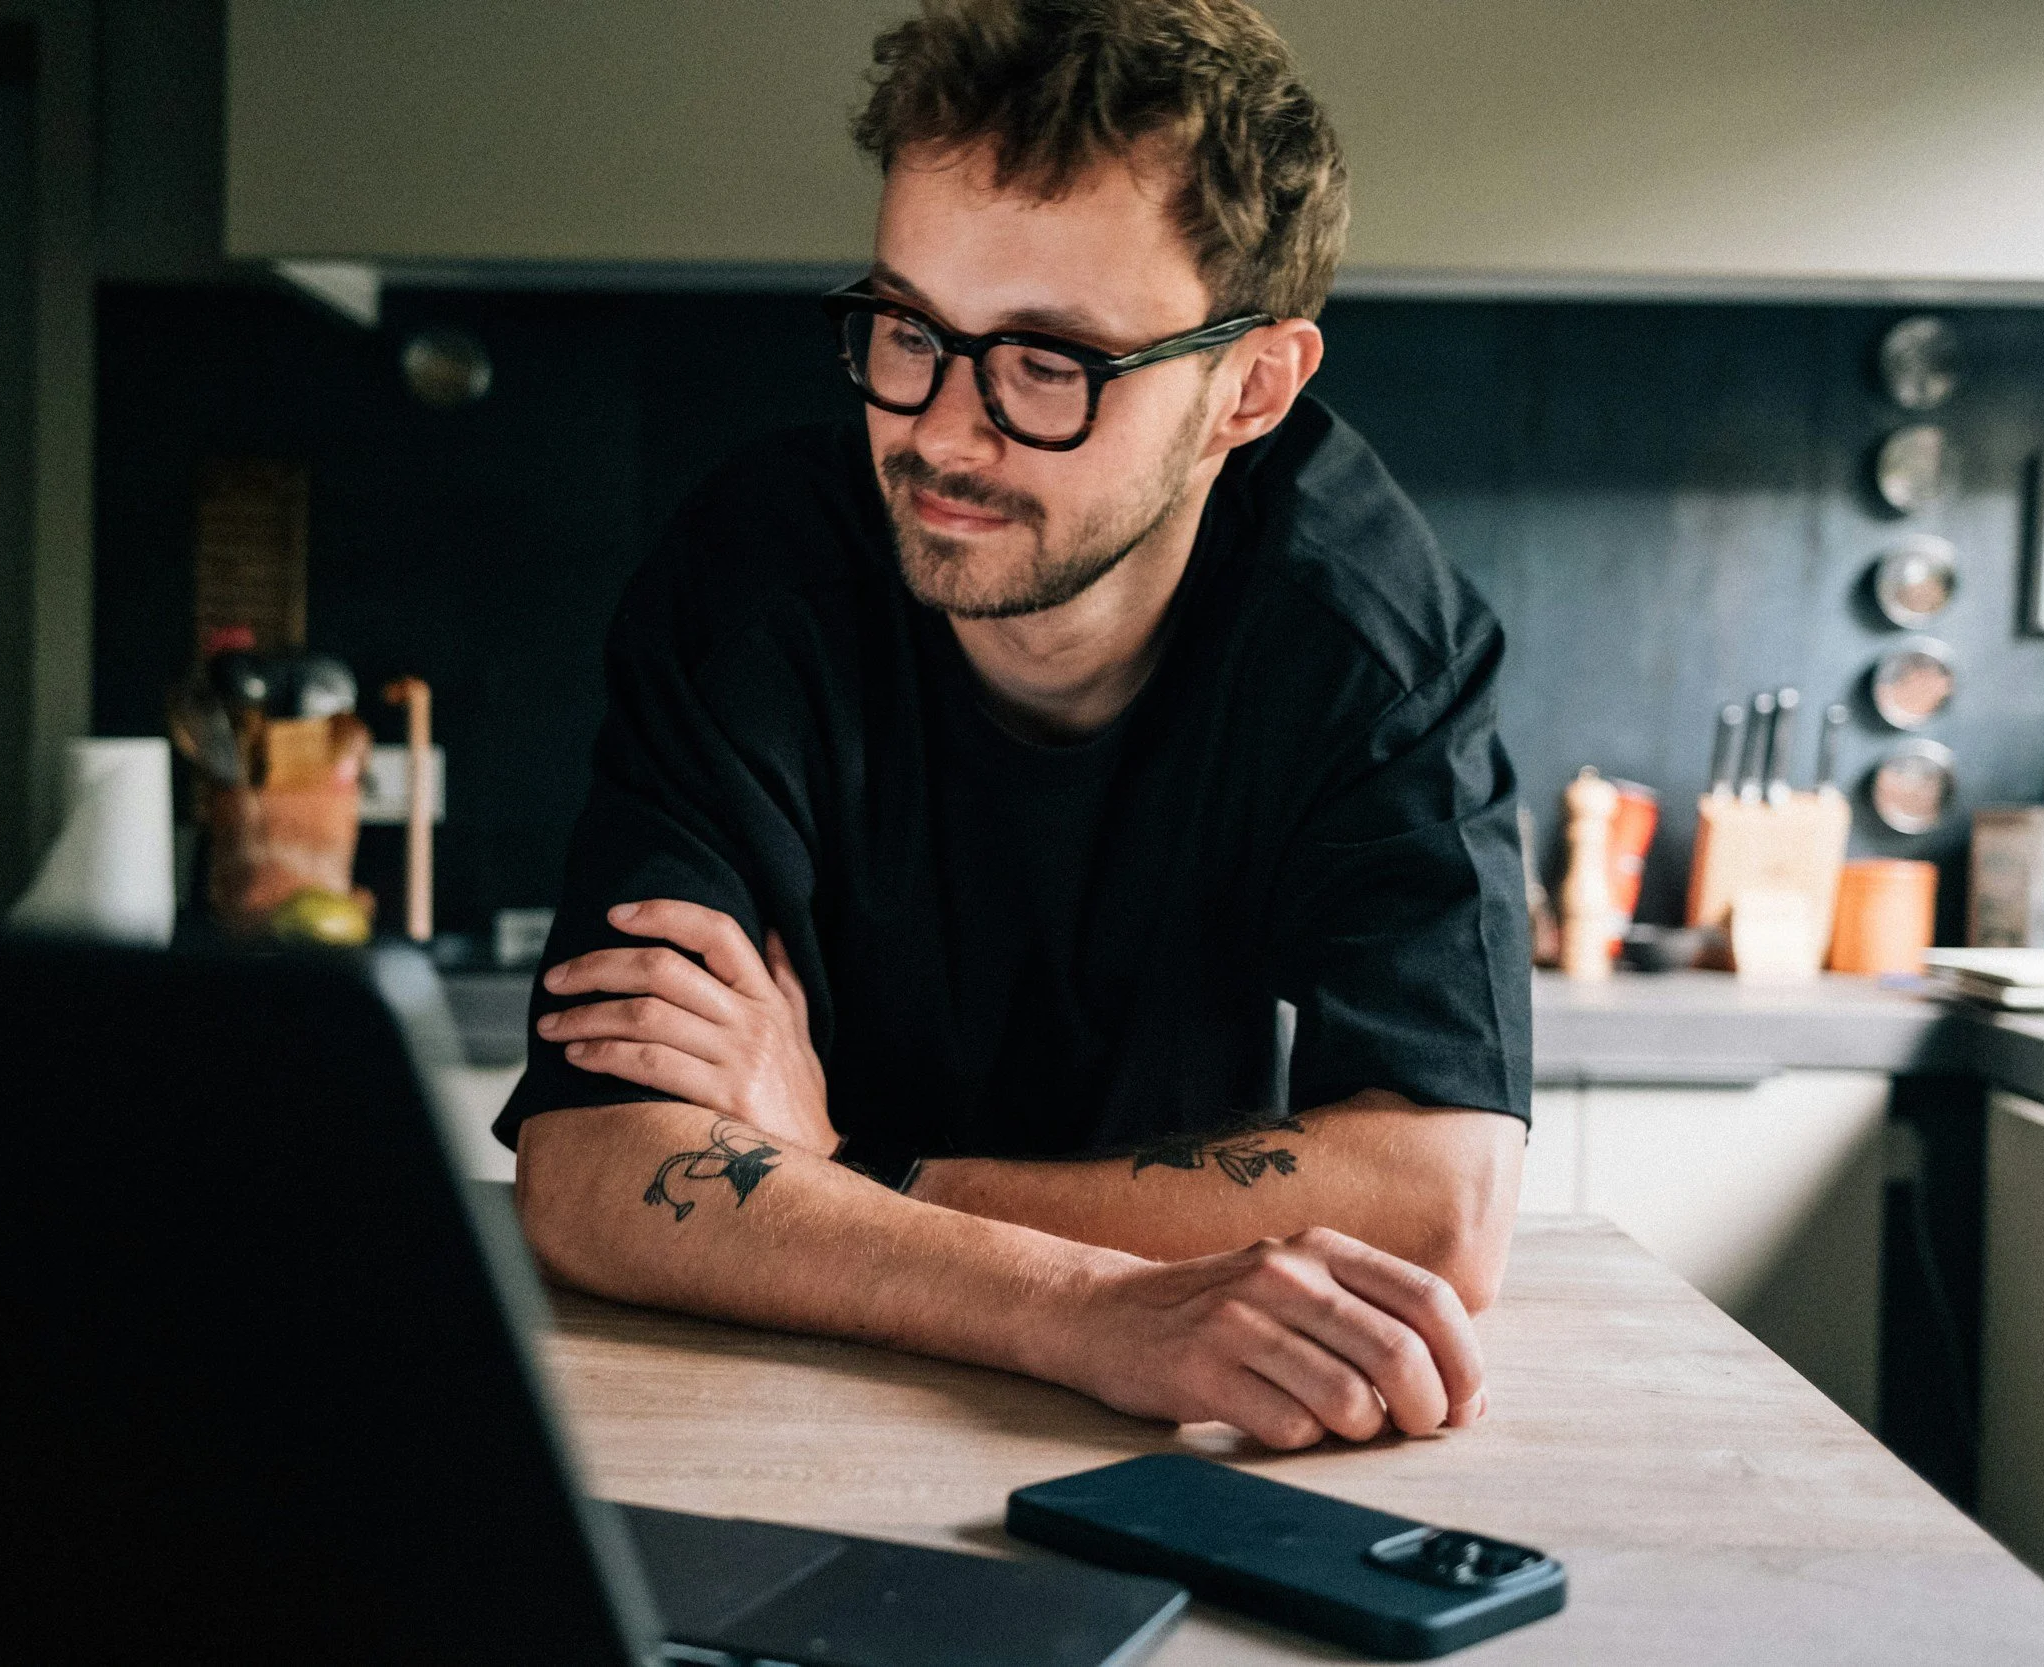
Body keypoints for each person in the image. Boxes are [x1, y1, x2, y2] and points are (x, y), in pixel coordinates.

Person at [497, 0, 1531, 1452]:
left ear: (1250, 387)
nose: (941, 430)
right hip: (770, 1410)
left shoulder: (1370, 637)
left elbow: (1441, 1201)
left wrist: (852, 1172)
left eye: (1052, 362)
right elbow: (598, 1160)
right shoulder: (759, 574)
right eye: (909, 328)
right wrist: (1078, 1306)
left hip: (1179, 1446)